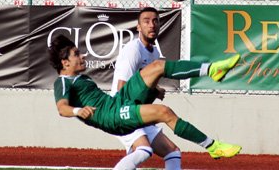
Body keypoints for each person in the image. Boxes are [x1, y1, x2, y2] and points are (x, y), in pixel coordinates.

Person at [48, 35, 242, 170]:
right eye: (77, 54)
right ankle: (212, 146)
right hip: (112, 116)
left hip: (117, 102)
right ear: (65, 63)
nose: (83, 56)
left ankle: (212, 69)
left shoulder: (80, 78)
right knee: (164, 112)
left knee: (157, 67)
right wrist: (77, 111)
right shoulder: (63, 82)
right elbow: (61, 108)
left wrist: (151, 89)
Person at [110, 7, 181, 169]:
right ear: (138, 27)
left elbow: (143, 85)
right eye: (146, 21)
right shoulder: (133, 50)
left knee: (173, 152)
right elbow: (122, 89)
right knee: (143, 149)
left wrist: (155, 91)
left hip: (137, 112)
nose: (152, 25)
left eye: (155, 21)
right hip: (121, 111)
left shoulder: (154, 53)